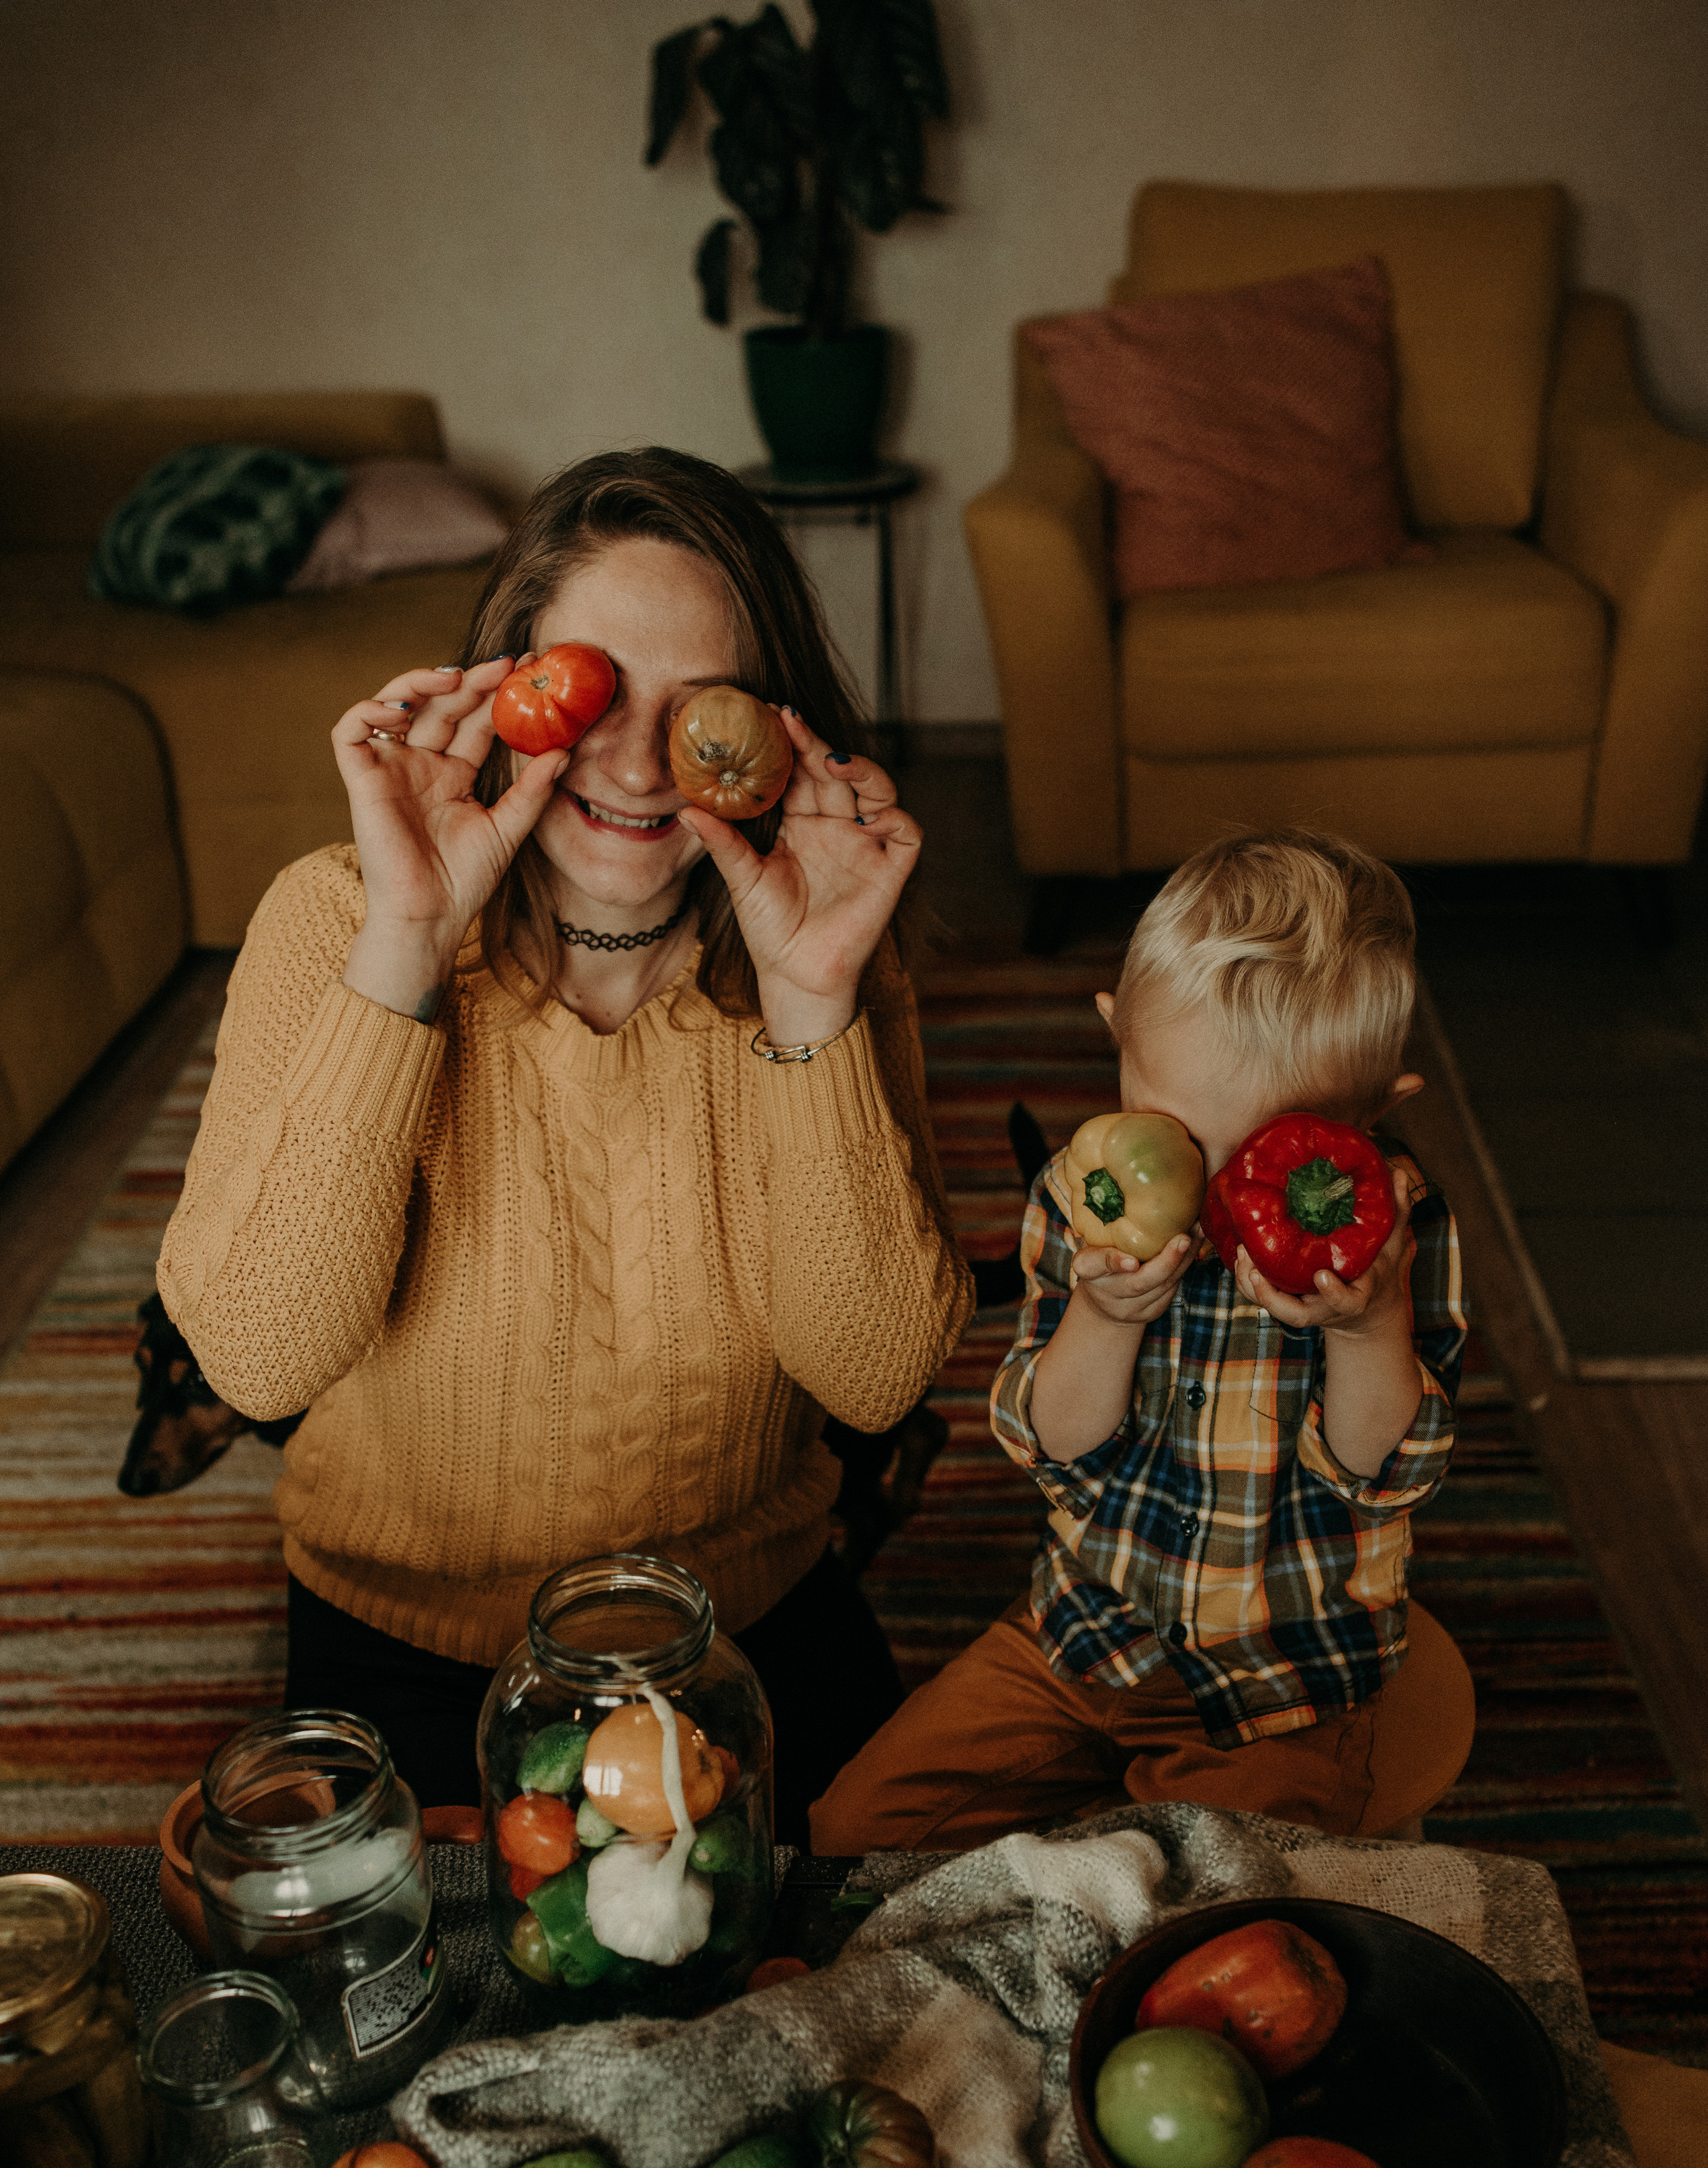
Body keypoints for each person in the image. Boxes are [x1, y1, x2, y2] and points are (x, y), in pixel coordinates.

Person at [157, 448, 973, 1838]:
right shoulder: (333, 917)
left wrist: (812, 998)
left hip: (743, 1625)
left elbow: (879, 1371)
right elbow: (255, 1353)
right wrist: (404, 948)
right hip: (413, 1644)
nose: (642, 762)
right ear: (504, 684)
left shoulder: (820, 949)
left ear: (771, 728)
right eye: (594, 688)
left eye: (698, 706)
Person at [809, 831, 1474, 1854]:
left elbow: (1380, 1470)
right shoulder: (1084, 1197)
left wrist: (1367, 1327)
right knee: (852, 1837)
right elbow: (1058, 1444)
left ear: (1376, 1117)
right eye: (1172, 1127)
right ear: (1116, 1038)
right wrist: (1107, 1317)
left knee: (1217, 1913)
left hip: (1287, 1676)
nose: (1210, 1193)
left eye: (1260, 1150)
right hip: (1082, 1637)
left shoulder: (1393, 1230)